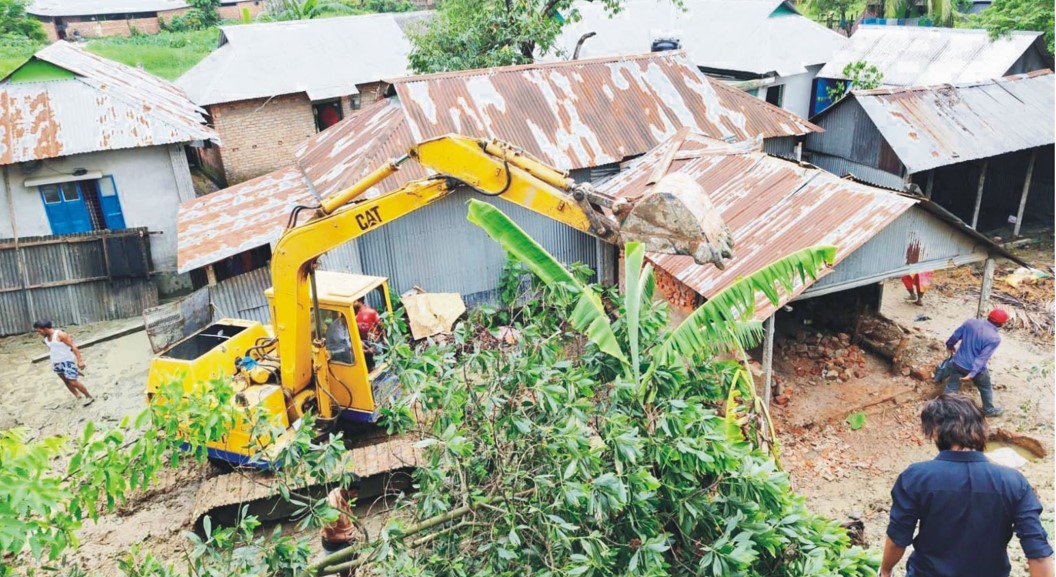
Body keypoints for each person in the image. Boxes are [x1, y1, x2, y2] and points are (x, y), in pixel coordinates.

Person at [881, 394, 1053, 577]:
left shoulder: (916, 477)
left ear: (935, 431)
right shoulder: (1014, 482)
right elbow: (1038, 554)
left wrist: (885, 570)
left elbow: (898, 539)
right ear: (980, 430)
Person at [943, 308, 1008, 417]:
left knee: (952, 387)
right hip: (974, 369)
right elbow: (982, 358)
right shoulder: (995, 338)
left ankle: (943, 408)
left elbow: (955, 336)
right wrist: (972, 374)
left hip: (958, 362)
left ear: (989, 316)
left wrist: (949, 345)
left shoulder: (971, 322)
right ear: (1001, 323)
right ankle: (989, 410)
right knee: (985, 387)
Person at [33, 320, 94, 406]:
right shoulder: (46, 338)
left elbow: (73, 346)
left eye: (39, 331)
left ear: (45, 328)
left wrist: (80, 360)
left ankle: (89, 396)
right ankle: (78, 396)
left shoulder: (60, 334)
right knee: (66, 381)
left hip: (67, 361)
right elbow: (54, 349)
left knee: (73, 381)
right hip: (56, 362)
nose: (38, 333)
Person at [320, 483, 361, 577]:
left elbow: (349, 513)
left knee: (352, 566)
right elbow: (330, 536)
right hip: (336, 545)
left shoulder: (341, 493)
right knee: (345, 570)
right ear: (346, 490)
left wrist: (358, 526)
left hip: (346, 538)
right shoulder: (332, 507)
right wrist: (349, 537)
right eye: (354, 493)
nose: (356, 496)